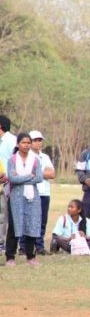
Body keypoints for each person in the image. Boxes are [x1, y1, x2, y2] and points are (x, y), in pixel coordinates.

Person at [4, 133, 43, 266]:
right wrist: (28, 176)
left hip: (33, 196)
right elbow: (12, 178)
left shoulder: (35, 159)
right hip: (16, 196)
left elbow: (39, 177)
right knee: (15, 225)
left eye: (28, 143)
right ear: (18, 144)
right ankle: (10, 257)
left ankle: (30, 256)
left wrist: (20, 176)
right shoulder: (12, 160)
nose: (26, 145)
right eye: (23, 142)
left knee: (32, 224)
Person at [24, 131, 55, 256]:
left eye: (40, 140)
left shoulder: (45, 157)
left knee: (42, 221)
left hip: (44, 192)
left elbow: (52, 174)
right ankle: (24, 247)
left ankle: (40, 247)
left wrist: (37, 172)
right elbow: (26, 173)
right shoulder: (26, 156)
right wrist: (43, 173)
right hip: (30, 192)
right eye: (35, 140)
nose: (38, 142)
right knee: (29, 220)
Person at [0, 114, 16, 252]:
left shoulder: (12, 141)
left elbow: (17, 161)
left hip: (7, 184)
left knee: (4, 216)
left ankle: (3, 245)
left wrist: (8, 175)